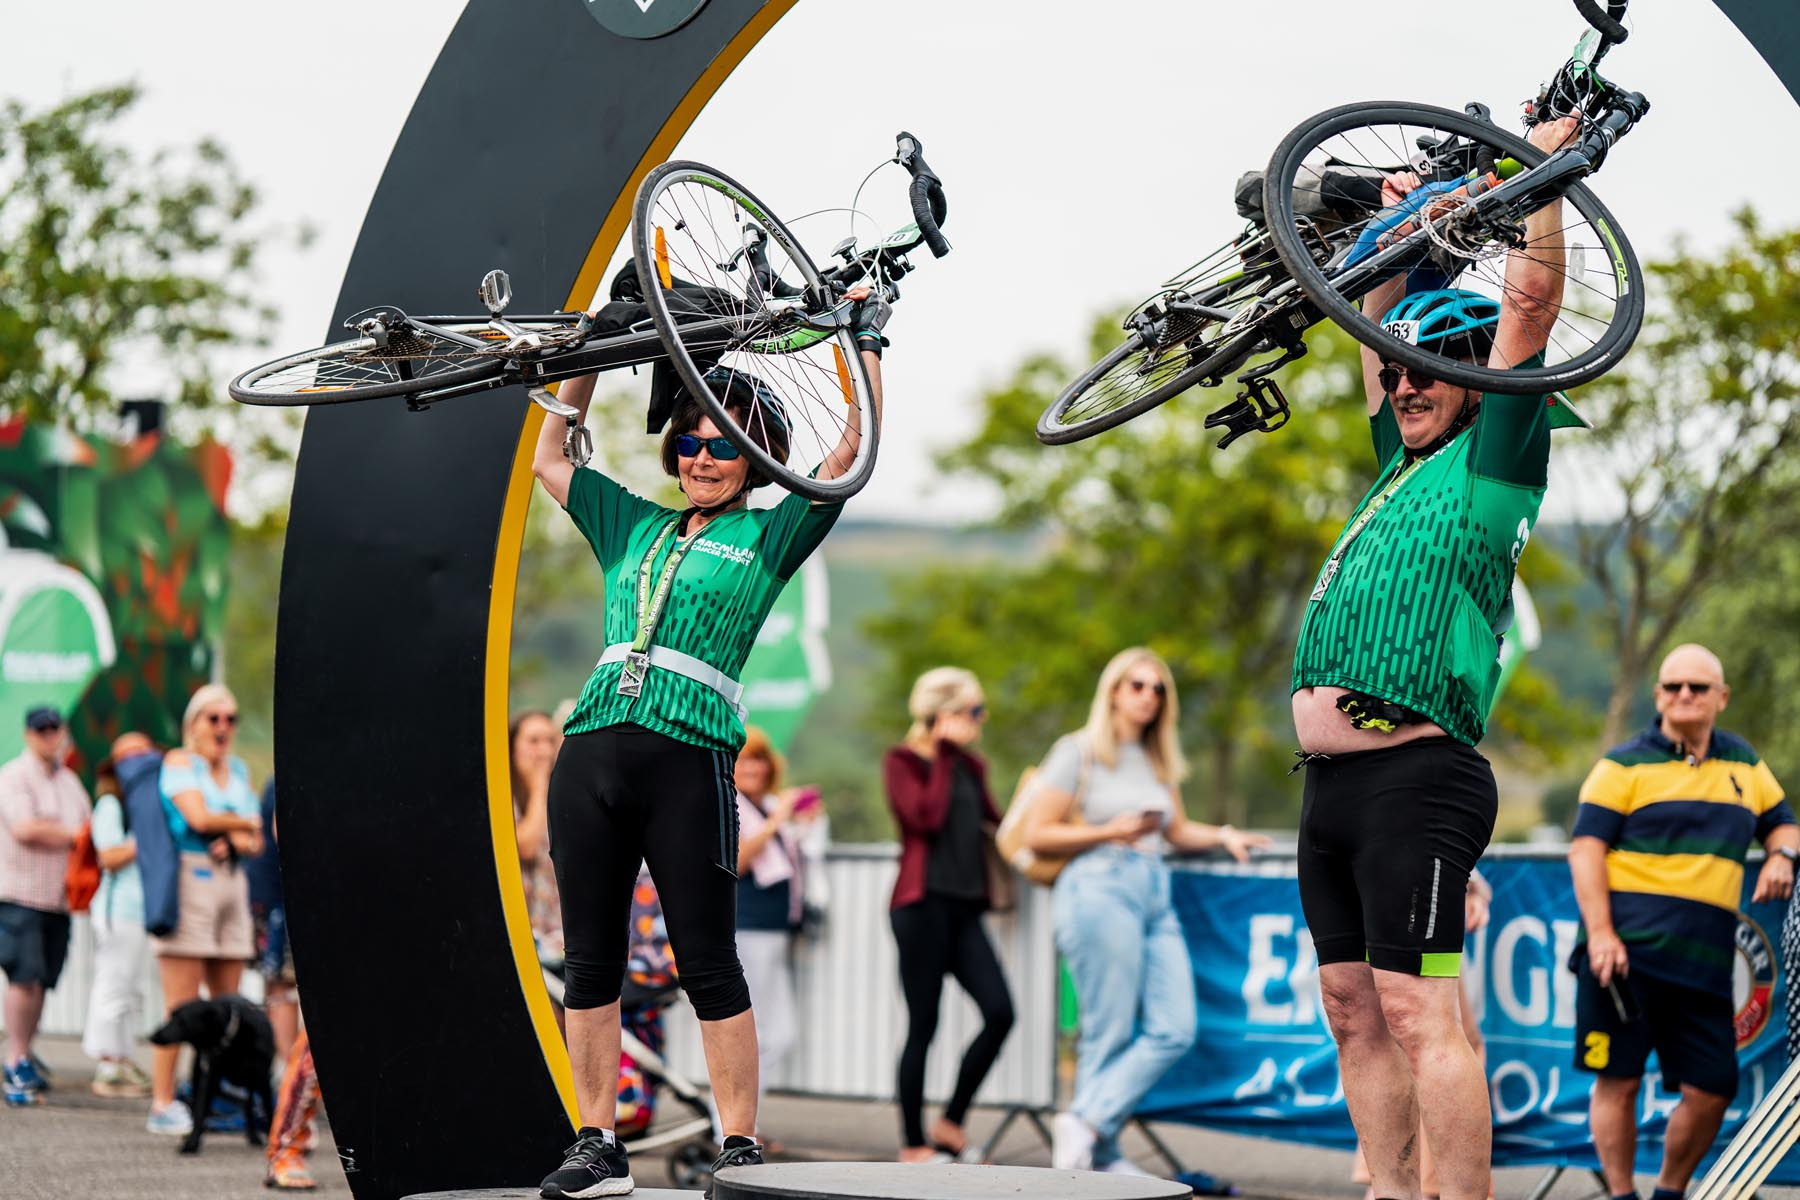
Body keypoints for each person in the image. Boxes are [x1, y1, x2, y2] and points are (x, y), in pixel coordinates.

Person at [529, 296, 886, 1198]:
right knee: (591, 961)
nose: (701, 456)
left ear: (753, 454)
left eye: (724, 442)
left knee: (707, 962)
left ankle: (741, 1146)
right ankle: (597, 1142)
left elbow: (851, 454)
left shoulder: (768, 535)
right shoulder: (632, 523)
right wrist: (596, 356)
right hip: (591, 754)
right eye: (688, 441)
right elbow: (549, 455)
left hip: (690, 758)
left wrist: (859, 342)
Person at [1288, 114, 1583, 1200]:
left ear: (1475, 385)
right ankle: (1388, 1188)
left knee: (1421, 1012)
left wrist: (1539, 178)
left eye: (1439, 367)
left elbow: (1530, 308)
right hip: (1331, 785)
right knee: (1351, 1008)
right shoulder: (1395, 460)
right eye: (1412, 368)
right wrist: (1393, 217)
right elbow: (1374, 342)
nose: (1413, 384)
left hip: (1420, 776)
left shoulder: (1496, 457)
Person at [1025, 649, 1266, 1174]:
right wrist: (1112, 830)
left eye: (1158, 689)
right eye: (1137, 685)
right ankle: (1099, 1154)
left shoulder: (1158, 761)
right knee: (1107, 1030)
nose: (1148, 696)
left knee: (1175, 1026)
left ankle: (1085, 1123)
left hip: (1155, 891)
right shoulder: (1078, 751)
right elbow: (1036, 833)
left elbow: (1176, 831)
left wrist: (1223, 835)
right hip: (1097, 884)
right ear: (1113, 690)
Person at [1569, 644, 1794, 1200]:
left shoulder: (1745, 764)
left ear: (1722, 697)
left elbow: (1785, 825)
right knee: (1616, 1083)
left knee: (1714, 1088)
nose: (1684, 696)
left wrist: (1783, 856)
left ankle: (1670, 1192)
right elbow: (1585, 850)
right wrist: (1600, 934)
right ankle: (1621, 1195)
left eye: (1697, 687)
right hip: (1624, 959)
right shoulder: (1621, 765)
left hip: (1705, 968)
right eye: (1672, 687)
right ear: (1658, 697)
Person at [881, 667, 1014, 1164]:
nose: (980, 720)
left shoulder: (972, 767)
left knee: (1001, 1013)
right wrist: (938, 750)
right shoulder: (903, 761)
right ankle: (913, 1144)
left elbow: (999, 826)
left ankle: (951, 1122)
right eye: (974, 711)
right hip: (920, 907)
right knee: (924, 1025)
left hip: (965, 908)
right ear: (944, 715)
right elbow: (924, 819)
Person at [146, 683, 264, 1136]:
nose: (223, 727)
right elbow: (198, 819)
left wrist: (237, 834)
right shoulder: (179, 762)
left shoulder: (234, 769)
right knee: (182, 1004)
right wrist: (241, 824)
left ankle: (211, 1100)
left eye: (230, 719)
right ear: (194, 723)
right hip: (191, 878)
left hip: (233, 883)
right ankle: (161, 1101)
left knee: (225, 1007)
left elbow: (255, 841)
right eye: (213, 718)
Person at [0, 705, 91, 1107]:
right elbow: (24, 827)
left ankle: (27, 1051)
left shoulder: (70, 782)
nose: (49, 735)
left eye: (55, 729)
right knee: (24, 976)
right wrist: (72, 836)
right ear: (28, 734)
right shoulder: (14, 775)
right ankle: (14, 1057)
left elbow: (90, 828)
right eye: (42, 730)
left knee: (44, 979)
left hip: (58, 899)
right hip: (20, 895)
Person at [732, 725, 815, 1148]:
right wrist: (777, 822)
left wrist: (796, 825)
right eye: (744, 758)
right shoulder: (732, 806)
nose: (753, 767)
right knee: (750, 1033)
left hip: (774, 928)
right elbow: (740, 861)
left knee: (778, 1035)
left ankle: (746, 1123)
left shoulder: (762, 807)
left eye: (759, 759)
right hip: (746, 927)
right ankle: (731, 1127)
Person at [83, 734, 160, 1099]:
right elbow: (109, 856)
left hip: (143, 910)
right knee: (113, 985)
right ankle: (107, 1063)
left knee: (133, 989)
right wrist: (146, 839)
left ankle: (123, 1057)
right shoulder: (111, 804)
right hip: (119, 910)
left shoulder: (145, 802)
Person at [246, 776, 300, 1064]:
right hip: (276, 899)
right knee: (282, 985)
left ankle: (288, 1074)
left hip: (273, 897)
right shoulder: (287, 779)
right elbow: (286, 833)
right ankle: (289, 1076)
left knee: (281, 986)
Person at [511, 710, 564, 977]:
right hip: (522, 939)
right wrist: (540, 784)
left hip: (558, 940)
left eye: (549, 741)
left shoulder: (563, 793)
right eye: (533, 741)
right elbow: (525, 847)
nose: (544, 751)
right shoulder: (503, 796)